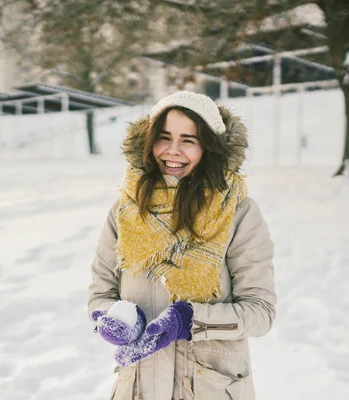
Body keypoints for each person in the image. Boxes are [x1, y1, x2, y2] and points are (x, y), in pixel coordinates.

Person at [88, 91, 276, 400]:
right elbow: (100, 295)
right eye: (164, 137)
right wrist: (107, 318)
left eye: (188, 140)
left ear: (209, 147)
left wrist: (192, 321)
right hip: (138, 389)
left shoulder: (239, 213)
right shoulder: (124, 211)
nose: (173, 151)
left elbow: (260, 311)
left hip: (208, 389)